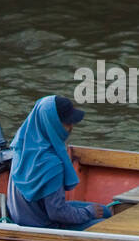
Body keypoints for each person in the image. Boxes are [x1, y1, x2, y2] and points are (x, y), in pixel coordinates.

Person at [7, 95, 114, 231]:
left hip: (22, 218)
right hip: (43, 228)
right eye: (67, 122)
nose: (71, 127)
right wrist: (88, 213)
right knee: (107, 224)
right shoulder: (52, 163)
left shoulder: (20, 147)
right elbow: (57, 213)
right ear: (51, 123)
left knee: (104, 210)